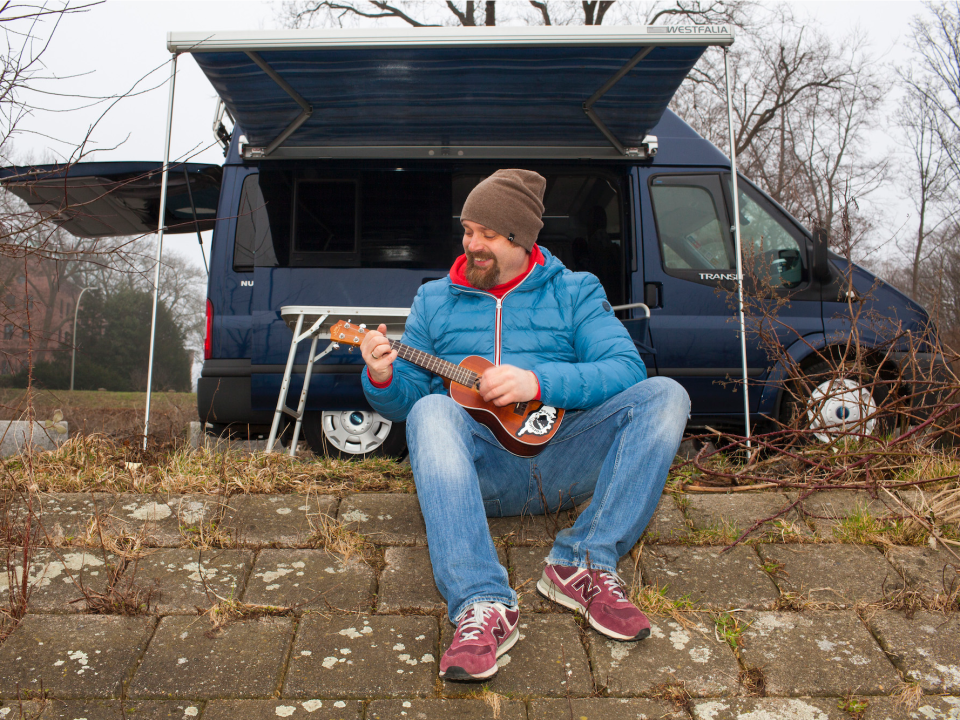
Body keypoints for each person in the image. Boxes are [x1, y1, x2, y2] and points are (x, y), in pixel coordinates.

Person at [360, 169, 689, 682]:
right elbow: (408, 401)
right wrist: (382, 377)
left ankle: (581, 563)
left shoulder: (576, 292)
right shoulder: (433, 300)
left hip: (563, 459)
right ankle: (481, 603)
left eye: (487, 235)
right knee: (430, 410)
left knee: (666, 396)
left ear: (521, 239)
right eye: (468, 230)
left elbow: (626, 369)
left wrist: (538, 381)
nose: (472, 244)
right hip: (479, 474)